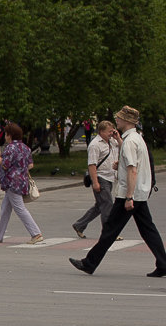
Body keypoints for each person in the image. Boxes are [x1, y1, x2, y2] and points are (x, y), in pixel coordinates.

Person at [70, 106, 166, 276]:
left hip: (129, 194)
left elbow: (132, 170)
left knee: (110, 229)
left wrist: (129, 197)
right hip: (139, 192)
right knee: (147, 229)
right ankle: (163, 264)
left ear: (127, 121)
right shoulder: (136, 138)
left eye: (120, 119)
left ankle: (89, 263)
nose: (117, 121)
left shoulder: (129, 141)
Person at [0, 123, 43, 245]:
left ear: (10, 135)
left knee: (19, 208)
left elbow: (4, 164)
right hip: (22, 181)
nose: (5, 136)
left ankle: (36, 233)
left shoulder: (10, 148)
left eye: (6, 134)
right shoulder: (25, 147)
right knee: (5, 209)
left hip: (11, 182)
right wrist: (20, 169)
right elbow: (30, 165)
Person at [72, 120, 119, 238]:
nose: (111, 133)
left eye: (112, 131)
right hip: (100, 177)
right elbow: (92, 165)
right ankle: (108, 233)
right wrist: (95, 182)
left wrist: (117, 138)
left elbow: (124, 148)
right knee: (107, 204)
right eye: (109, 131)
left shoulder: (112, 141)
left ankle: (79, 225)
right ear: (101, 131)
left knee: (100, 205)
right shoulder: (95, 144)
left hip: (110, 177)